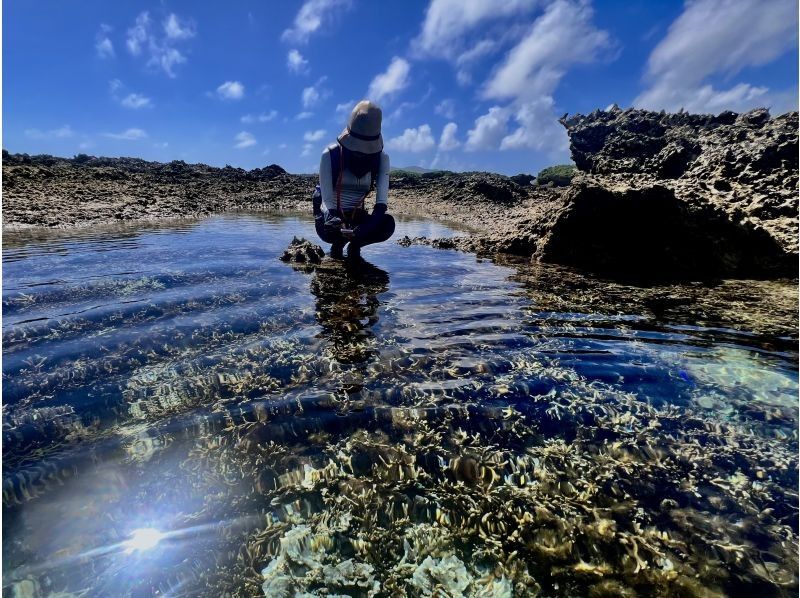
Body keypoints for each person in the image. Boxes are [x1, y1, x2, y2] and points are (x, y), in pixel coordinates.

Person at [313, 100, 395, 259]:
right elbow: (326, 200)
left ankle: (355, 246)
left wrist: (363, 231)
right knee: (330, 230)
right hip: (330, 213)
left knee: (387, 225)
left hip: (357, 215)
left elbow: (381, 205)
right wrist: (334, 220)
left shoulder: (382, 160)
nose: (361, 154)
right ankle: (337, 245)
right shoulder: (330, 155)